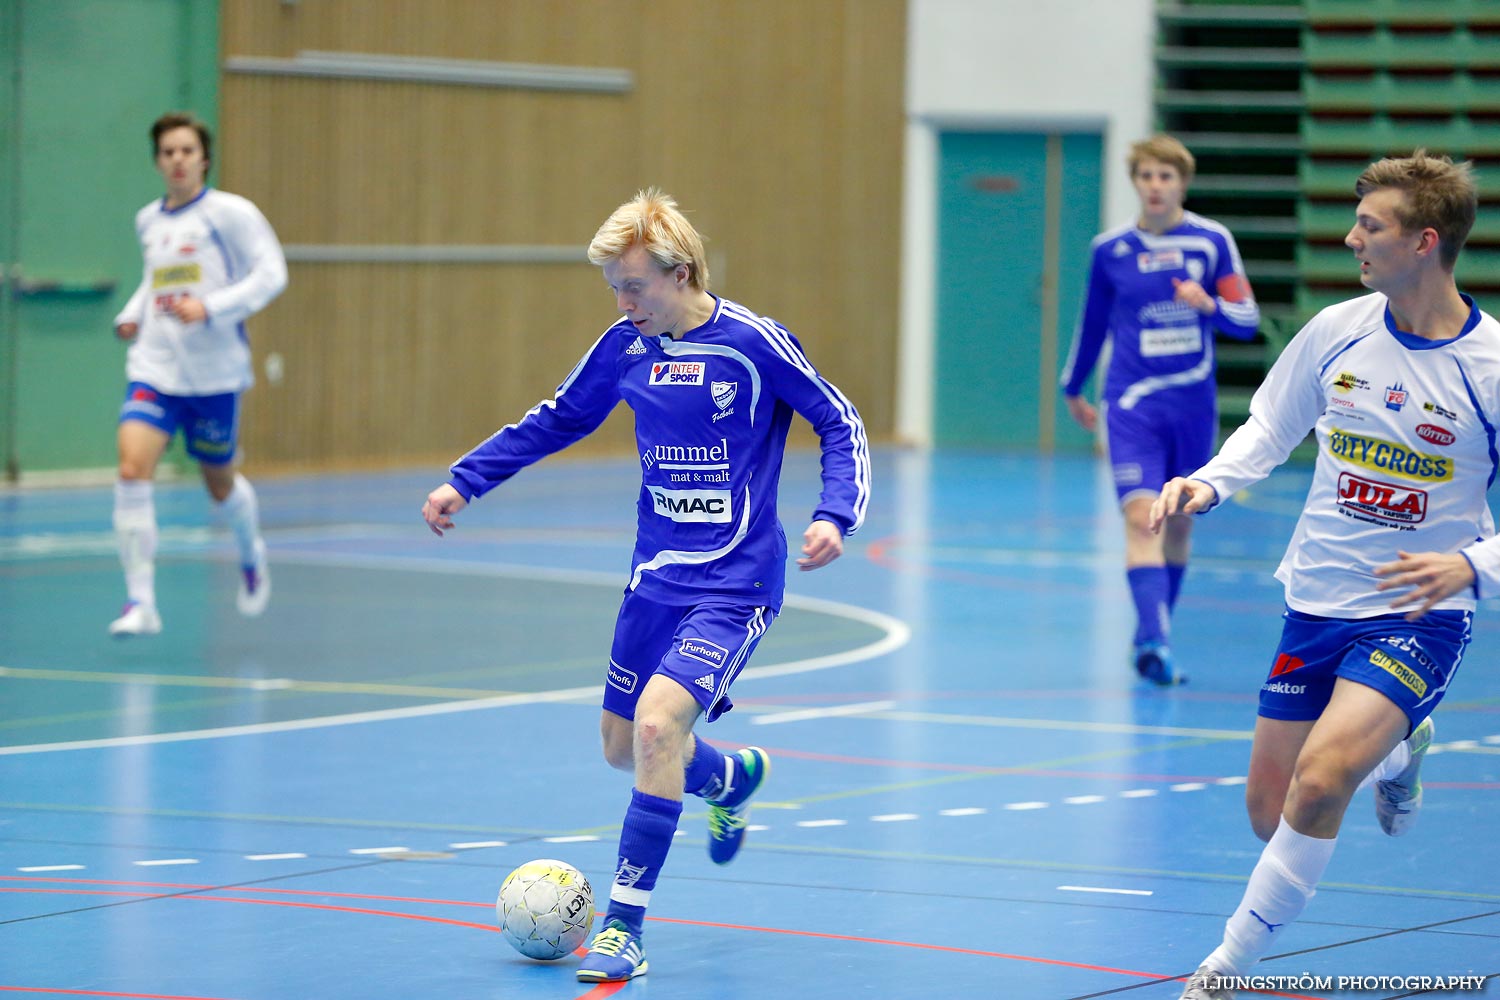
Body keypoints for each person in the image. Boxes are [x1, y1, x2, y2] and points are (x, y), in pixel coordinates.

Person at [421, 188, 870, 983]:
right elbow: (558, 417)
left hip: (735, 585)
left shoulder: (754, 345)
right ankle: (730, 777)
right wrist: (468, 481)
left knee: (660, 729)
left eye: (634, 286)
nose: (623, 304)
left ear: (682, 273)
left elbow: (838, 419)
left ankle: (624, 928)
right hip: (654, 581)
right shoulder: (625, 346)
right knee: (623, 748)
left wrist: (836, 513)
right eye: (613, 289)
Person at [1150, 150, 1490, 999]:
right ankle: (1403, 748)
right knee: (1275, 812)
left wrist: (1470, 564)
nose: (1351, 240)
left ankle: (1225, 969)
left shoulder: (1489, 368)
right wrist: (1209, 481)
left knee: (1322, 778)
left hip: (1418, 612)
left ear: (1423, 242)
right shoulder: (1338, 331)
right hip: (1317, 601)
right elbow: (1269, 424)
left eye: (1368, 228)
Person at [1060, 134, 1260, 684]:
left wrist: (1209, 306)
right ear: (1135, 183)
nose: (1155, 186)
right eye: (1146, 176)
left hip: (1192, 405)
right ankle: (1154, 638)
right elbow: (1092, 322)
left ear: (1182, 183)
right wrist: (1073, 386)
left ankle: (1154, 625)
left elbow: (1245, 321)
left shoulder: (1212, 242)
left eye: (1165, 177)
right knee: (1139, 516)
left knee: (1177, 526)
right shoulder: (1111, 250)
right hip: (1129, 402)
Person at [108, 111, 287, 636]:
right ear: (158, 162)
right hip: (156, 369)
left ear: (203, 158)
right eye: (168, 152)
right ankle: (141, 604)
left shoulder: (230, 214)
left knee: (219, 485)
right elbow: (156, 281)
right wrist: (132, 313)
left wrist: (213, 307)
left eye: (187, 150)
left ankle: (251, 550)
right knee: (130, 470)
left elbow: (272, 273)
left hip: (214, 377)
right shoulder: (149, 221)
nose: (178, 160)